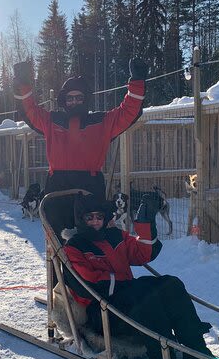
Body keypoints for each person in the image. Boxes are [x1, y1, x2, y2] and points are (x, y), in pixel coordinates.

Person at [62, 192, 219, 359]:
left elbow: (143, 252)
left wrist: (145, 222)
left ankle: (197, 354)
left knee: (171, 284)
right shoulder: (74, 246)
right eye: (89, 217)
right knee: (144, 298)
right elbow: (90, 284)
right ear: (81, 220)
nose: (95, 222)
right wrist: (123, 281)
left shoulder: (114, 236)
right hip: (102, 312)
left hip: (127, 299)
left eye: (99, 216)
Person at [13, 58, 148, 234]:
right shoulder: (52, 120)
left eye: (79, 97)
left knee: (91, 241)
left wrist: (137, 81)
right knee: (57, 243)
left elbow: (128, 112)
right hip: (57, 188)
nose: (74, 102)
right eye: (70, 98)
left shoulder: (102, 122)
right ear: (64, 100)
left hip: (89, 188)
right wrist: (23, 83)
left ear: (85, 99)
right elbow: (29, 111)